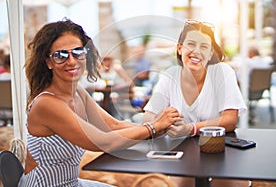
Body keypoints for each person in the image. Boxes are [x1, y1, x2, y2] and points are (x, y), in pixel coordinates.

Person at [19, 19, 180, 186]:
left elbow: (113, 126)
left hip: (72, 183)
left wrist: (156, 127)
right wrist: (152, 128)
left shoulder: (78, 92)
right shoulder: (47, 103)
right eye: (61, 55)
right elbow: (102, 141)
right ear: (48, 62)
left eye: (78, 52)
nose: (72, 61)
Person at [142, 20, 247, 186]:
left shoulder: (222, 72)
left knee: (228, 182)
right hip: (181, 153)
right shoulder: (169, 76)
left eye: (204, 46)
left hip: (219, 151)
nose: (197, 51)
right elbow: (147, 118)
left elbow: (229, 120)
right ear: (180, 48)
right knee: (179, 182)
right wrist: (164, 123)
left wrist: (189, 129)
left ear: (211, 52)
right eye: (191, 44)